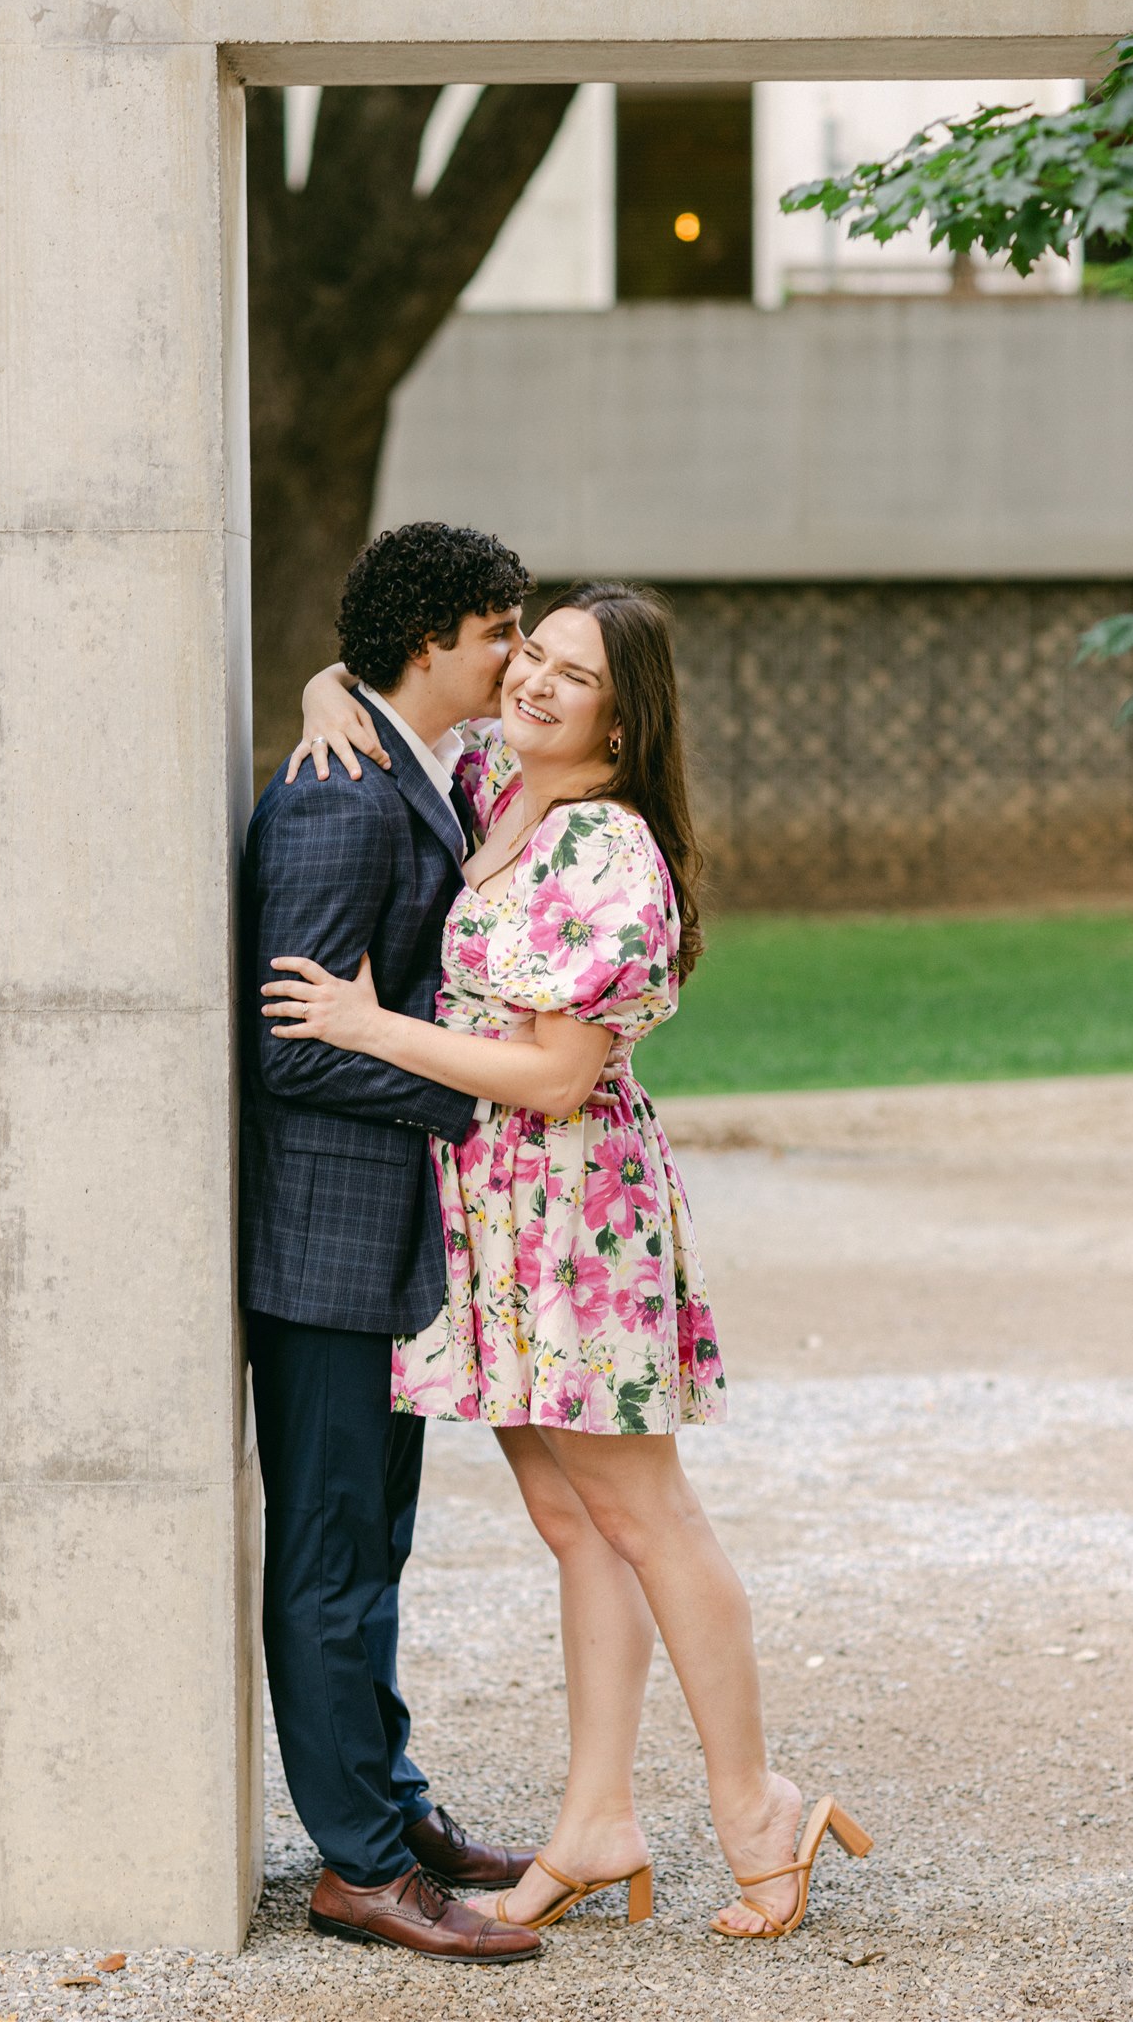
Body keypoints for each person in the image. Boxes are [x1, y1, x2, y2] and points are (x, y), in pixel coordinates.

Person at [264, 582, 873, 1940]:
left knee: (647, 1516)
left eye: (571, 674)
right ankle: (597, 1819)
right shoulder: (491, 777)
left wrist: (366, 1029)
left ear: (622, 710)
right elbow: (375, 693)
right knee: (570, 1523)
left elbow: (549, 1077)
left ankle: (755, 1804)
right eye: (527, 653)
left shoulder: (609, 850)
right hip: (488, 1212)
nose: (532, 681)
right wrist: (321, 693)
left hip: (569, 1214)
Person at [239, 522, 549, 1964]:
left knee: (377, 1543)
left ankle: (390, 1806)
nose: (517, 656)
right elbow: (292, 1048)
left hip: (381, 1241)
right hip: (324, 1241)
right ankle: (358, 1867)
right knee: (327, 1551)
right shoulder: (337, 798)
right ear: (432, 642)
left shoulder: (396, 758)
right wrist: (467, 1092)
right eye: (500, 632)